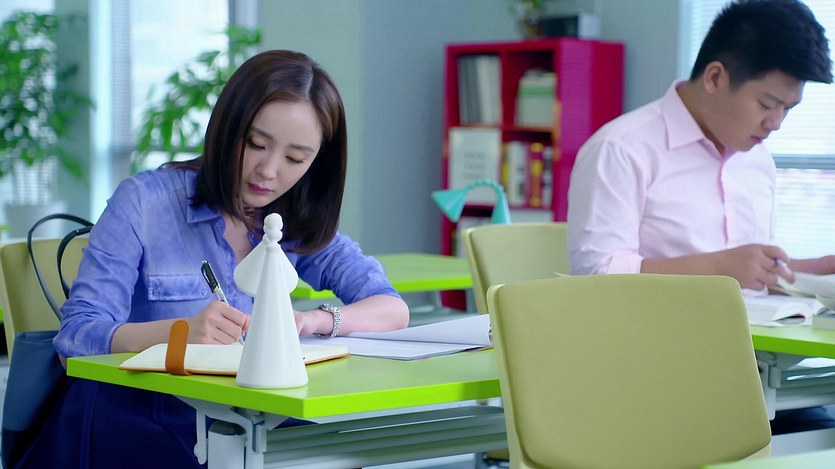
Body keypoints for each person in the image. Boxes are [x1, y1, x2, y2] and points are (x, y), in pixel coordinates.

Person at [20, 50, 409, 468]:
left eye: (295, 158)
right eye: (256, 144)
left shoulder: (289, 220)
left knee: (347, 452)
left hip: (245, 423)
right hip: (139, 422)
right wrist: (180, 334)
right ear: (227, 128)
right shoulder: (144, 203)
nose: (269, 171)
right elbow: (75, 340)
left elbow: (391, 309)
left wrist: (311, 321)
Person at [567, 0, 834, 434]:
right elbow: (596, 278)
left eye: (789, 109)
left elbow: (748, 276)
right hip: (653, 376)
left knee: (821, 433)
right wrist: (719, 268)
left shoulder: (757, 161)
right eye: (767, 103)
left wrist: (810, 272)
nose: (776, 123)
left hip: (750, 370)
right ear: (714, 77)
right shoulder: (622, 149)